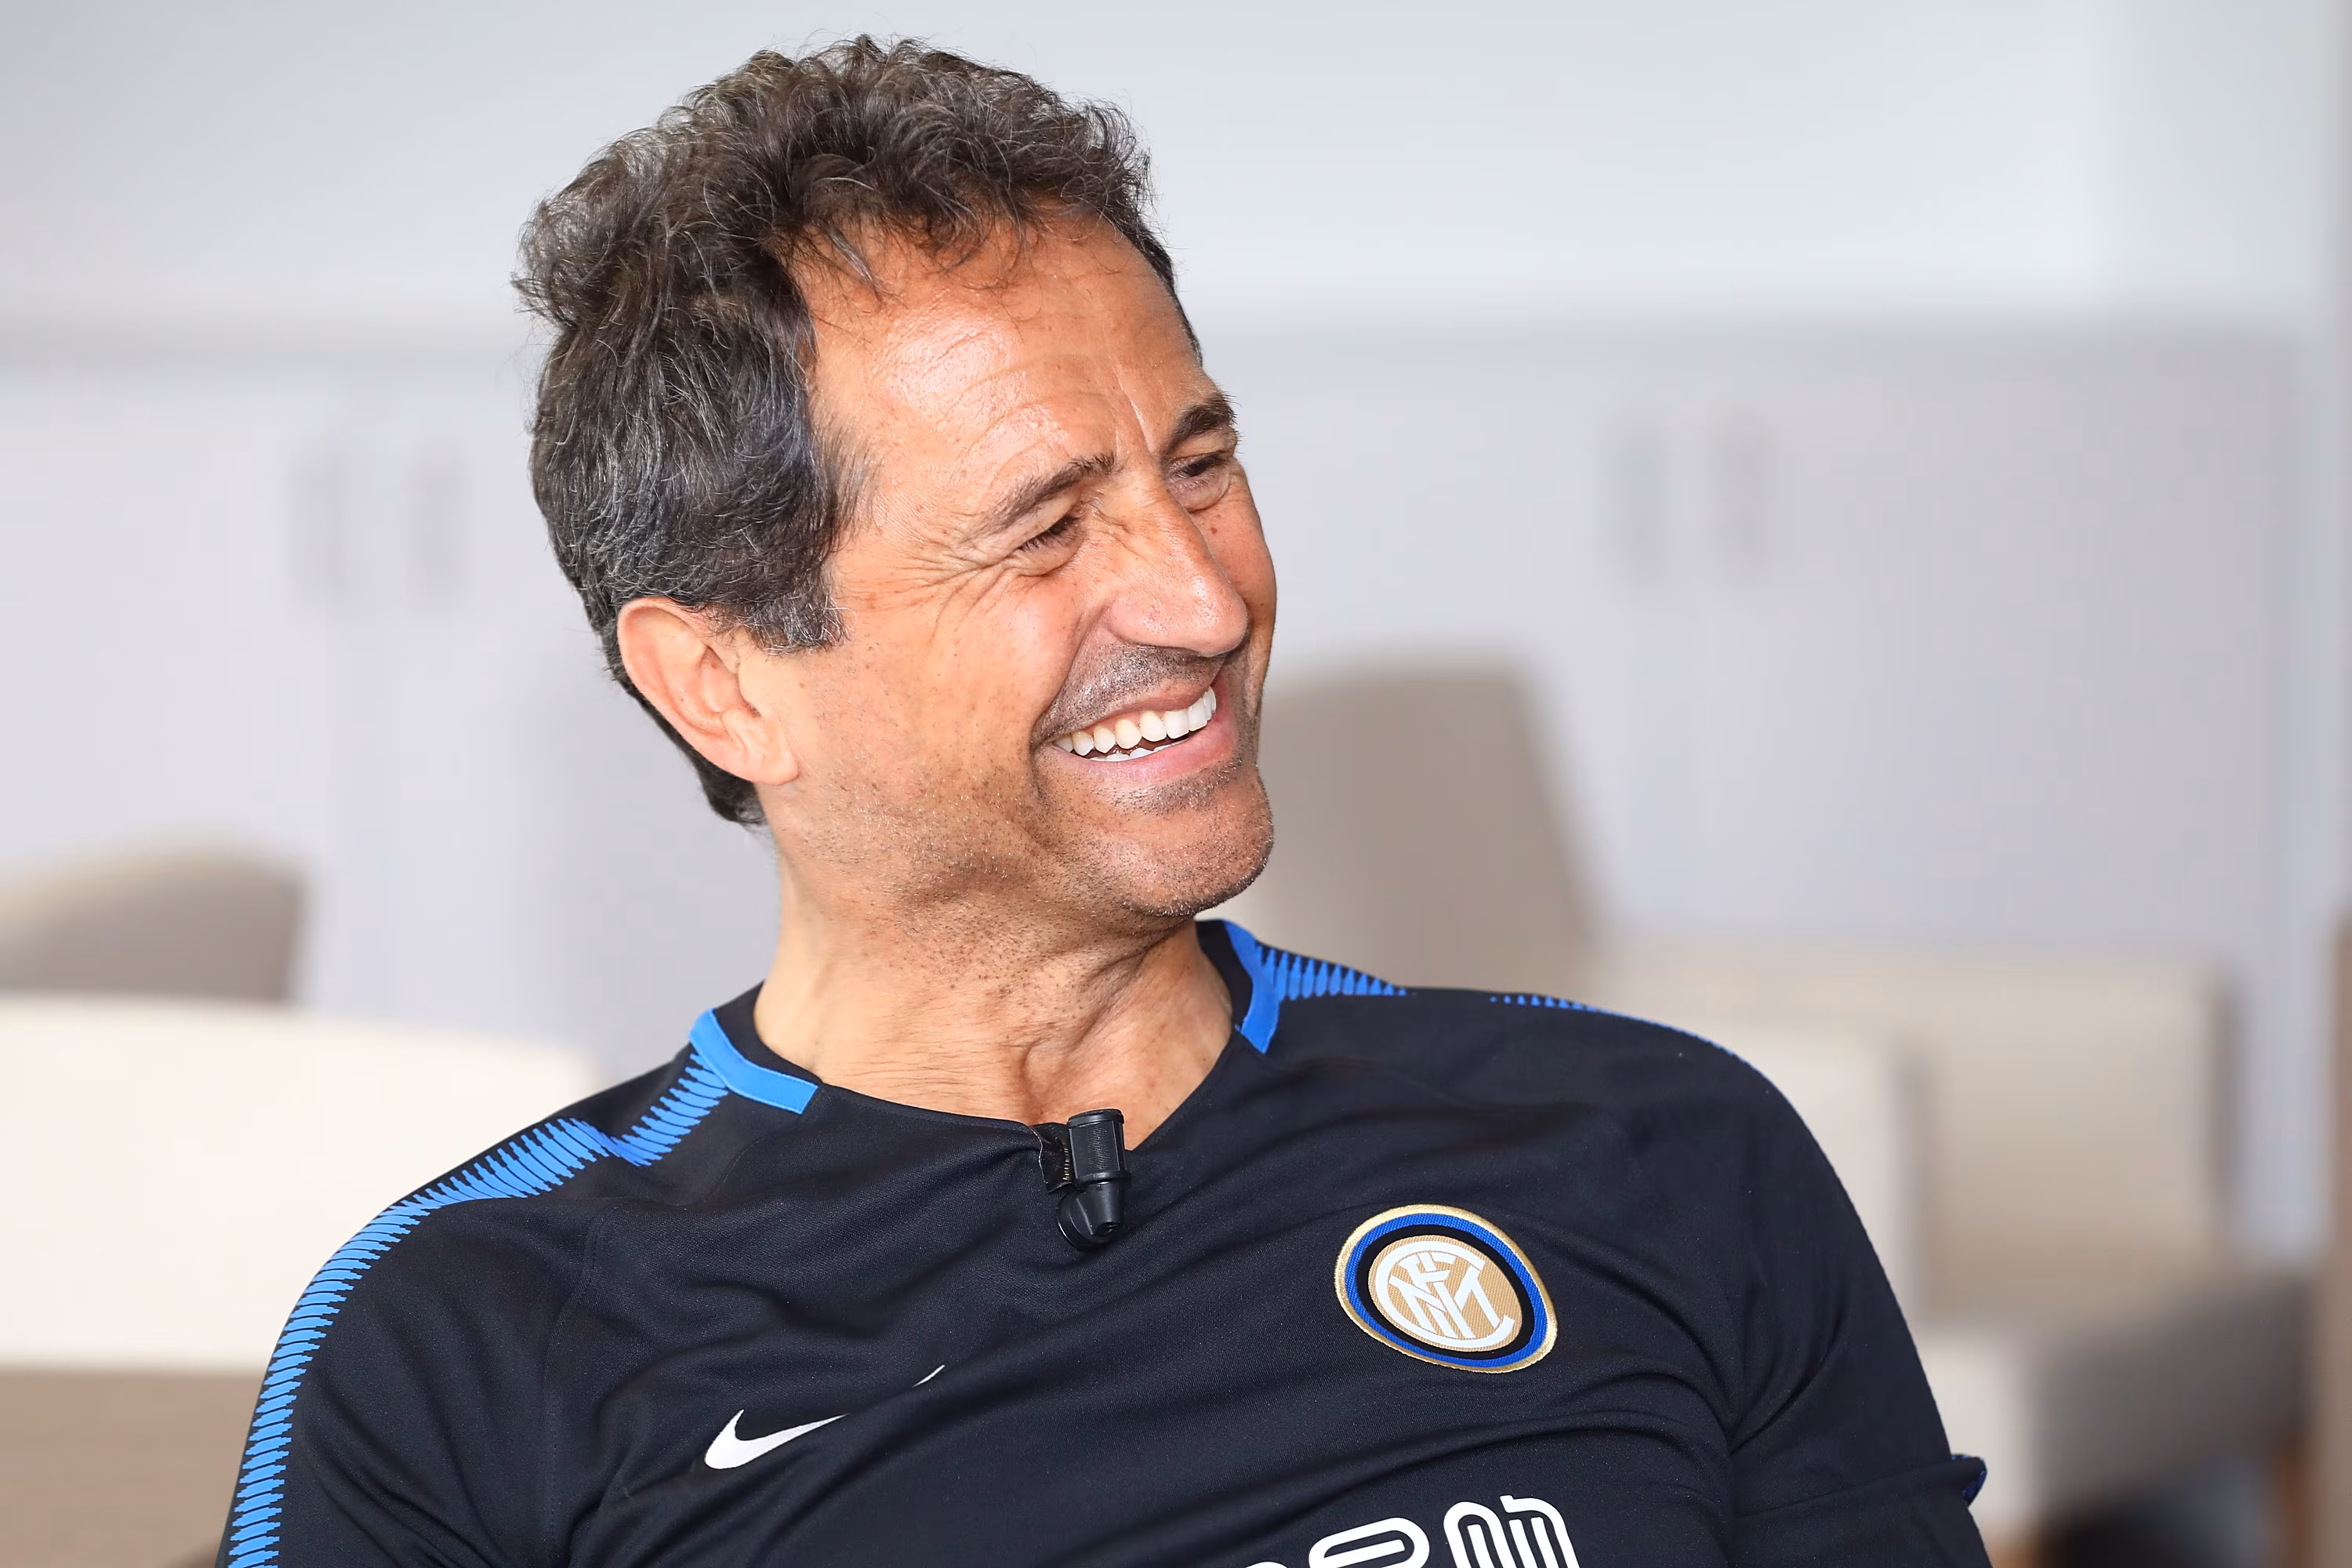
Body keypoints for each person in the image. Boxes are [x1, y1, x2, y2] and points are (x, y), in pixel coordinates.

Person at [217, 38, 1990, 1568]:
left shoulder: (1654, 1145)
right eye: (1048, 529)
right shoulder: (473, 1344)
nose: (1205, 603)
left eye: (1200, 467)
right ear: (726, 682)